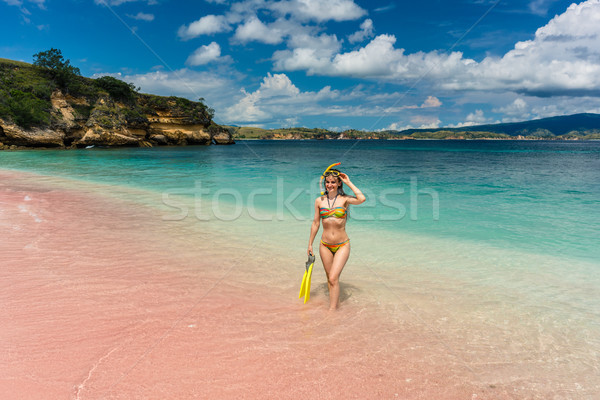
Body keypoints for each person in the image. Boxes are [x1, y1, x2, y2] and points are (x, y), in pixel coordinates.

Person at [307, 168, 365, 310]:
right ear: (324, 183)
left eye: (333, 182)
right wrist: (310, 244)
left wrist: (348, 182)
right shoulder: (319, 201)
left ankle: (332, 312)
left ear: (339, 183)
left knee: (333, 278)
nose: (330, 185)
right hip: (324, 245)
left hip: (342, 245)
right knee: (330, 279)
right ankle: (335, 306)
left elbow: (361, 199)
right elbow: (315, 223)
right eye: (327, 182)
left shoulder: (345, 200)